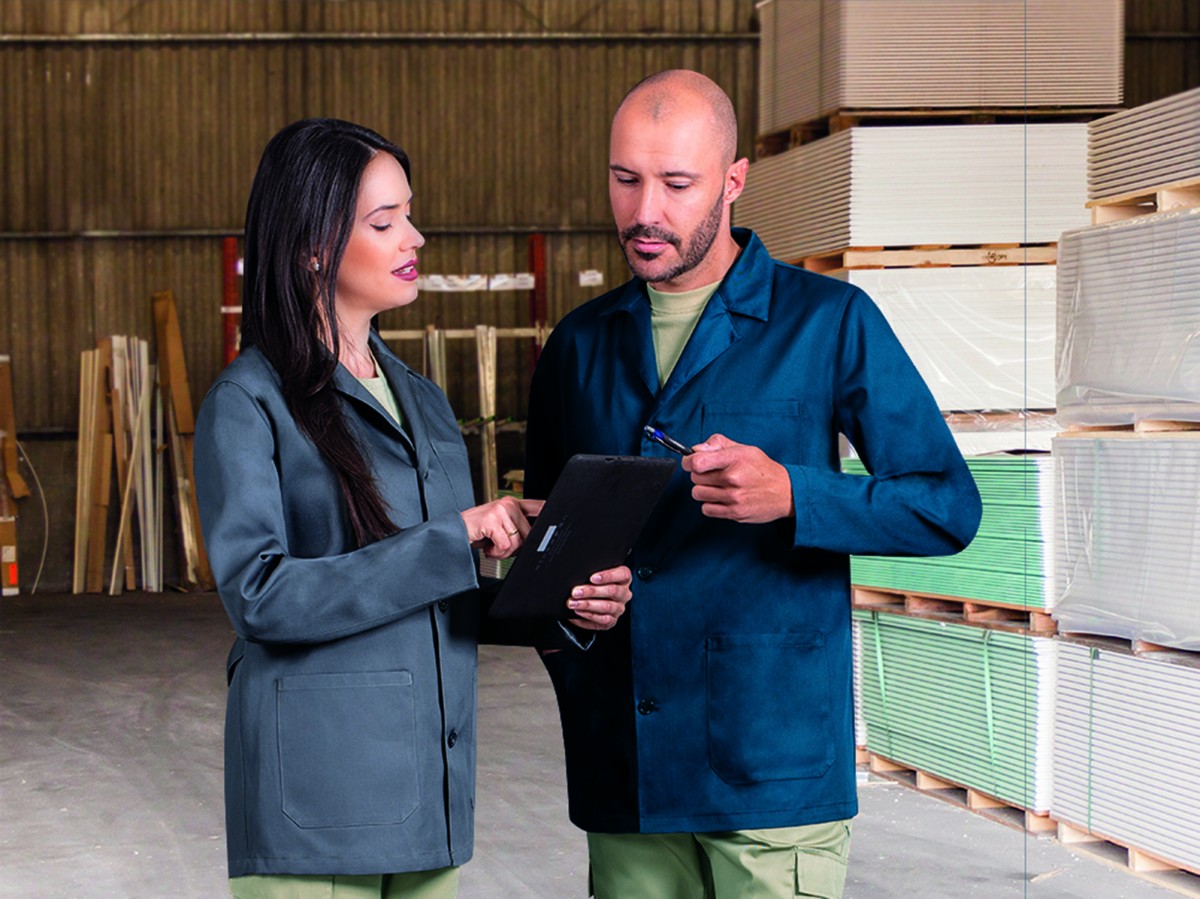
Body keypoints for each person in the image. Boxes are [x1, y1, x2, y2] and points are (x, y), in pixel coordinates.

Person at [524, 71, 983, 898]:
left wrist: (798, 495)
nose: (645, 212)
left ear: (733, 181)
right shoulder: (577, 347)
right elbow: (550, 547)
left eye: (676, 183)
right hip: (626, 766)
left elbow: (945, 504)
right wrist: (571, 604)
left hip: (770, 767)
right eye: (625, 180)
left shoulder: (829, 321)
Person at [193, 118, 633, 899]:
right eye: (385, 222)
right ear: (312, 247)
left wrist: (559, 603)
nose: (415, 237)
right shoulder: (248, 401)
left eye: (409, 215)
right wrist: (456, 533)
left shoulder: (423, 402)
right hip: (316, 807)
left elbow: (437, 593)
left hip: (426, 793)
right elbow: (259, 595)